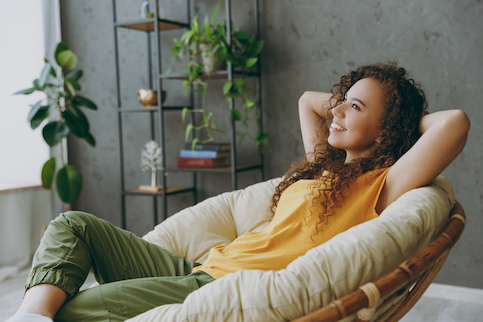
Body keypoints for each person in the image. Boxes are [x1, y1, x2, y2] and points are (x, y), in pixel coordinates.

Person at [8, 61, 470, 322]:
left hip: (217, 287)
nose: (338, 111)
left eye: (355, 106)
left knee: (72, 312)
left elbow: (454, 124)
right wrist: (351, 106)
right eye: (343, 99)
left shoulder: (382, 185)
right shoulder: (322, 166)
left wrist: (404, 123)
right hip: (197, 265)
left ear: (388, 127)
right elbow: (306, 102)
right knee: (72, 224)